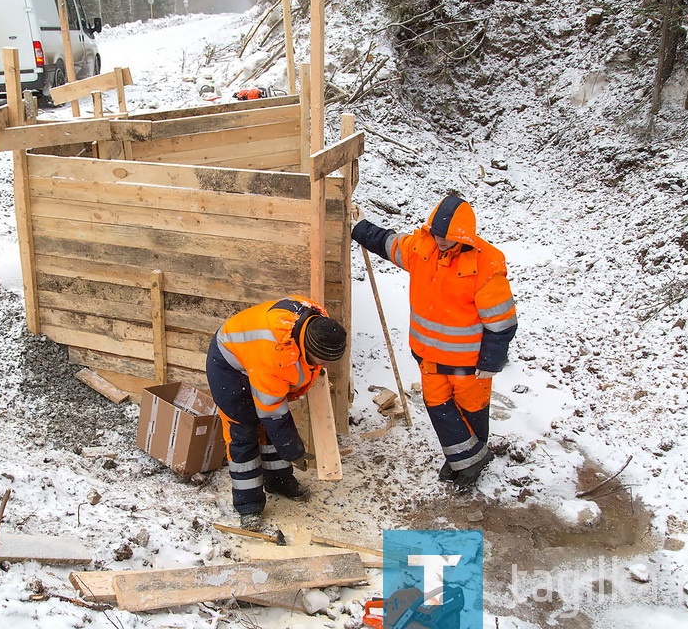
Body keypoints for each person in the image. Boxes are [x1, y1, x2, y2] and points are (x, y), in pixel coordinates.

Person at [351, 194, 517, 490]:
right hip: (428, 356)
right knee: (437, 405)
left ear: (462, 236)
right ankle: (469, 457)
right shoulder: (421, 248)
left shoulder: (486, 265)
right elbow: (387, 243)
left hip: (468, 363)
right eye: (437, 234)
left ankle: (466, 462)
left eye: (447, 237)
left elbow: (502, 322)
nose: (440, 241)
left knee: (471, 411)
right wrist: (359, 227)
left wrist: (492, 360)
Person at [206, 295, 347, 531]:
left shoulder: (318, 325)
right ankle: (248, 506)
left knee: (272, 431)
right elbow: (271, 411)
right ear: (307, 348)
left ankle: (279, 481)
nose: (326, 365)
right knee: (244, 431)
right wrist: (293, 450)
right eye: (323, 360)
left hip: (256, 355)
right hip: (228, 364)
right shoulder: (276, 353)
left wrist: (289, 445)